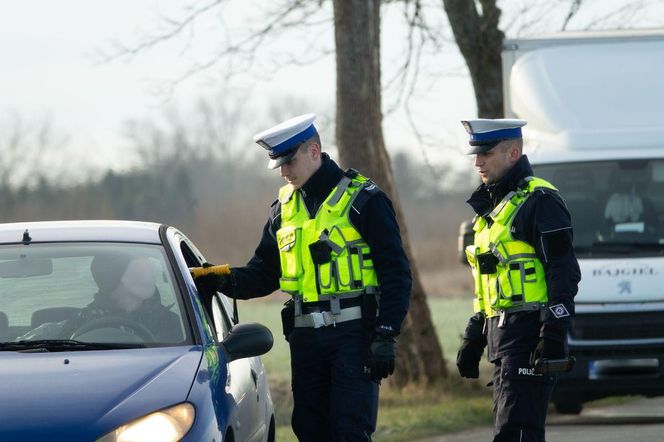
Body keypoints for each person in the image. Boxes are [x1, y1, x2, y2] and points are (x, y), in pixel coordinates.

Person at [191, 113, 412, 441]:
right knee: (310, 431)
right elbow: (264, 273)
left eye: (289, 161)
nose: (284, 172)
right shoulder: (283, 210)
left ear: (314, 150)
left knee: (349, 431)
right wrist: (220, 278)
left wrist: (386, 334)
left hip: (353, 336)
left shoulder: (364, 200)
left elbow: (396, 272)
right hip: (306, 340)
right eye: (278, 164)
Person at [456, 119, 581, 442]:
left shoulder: (539, 201)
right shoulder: (491, 210)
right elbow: (490, 284)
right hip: (502, 337)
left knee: (517, 433)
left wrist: (554, 330)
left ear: (513, 152)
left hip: (530, 333)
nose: (478, 162)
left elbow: (563, 271)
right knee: (509, 430)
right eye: (476, 154)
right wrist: (475, 334)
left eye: (486, 153)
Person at [22, 253, 182, 343]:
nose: (151, 272)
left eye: (149, 266)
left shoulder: (179, 325)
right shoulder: (81, 322)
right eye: (141, 267)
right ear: (117, 278)